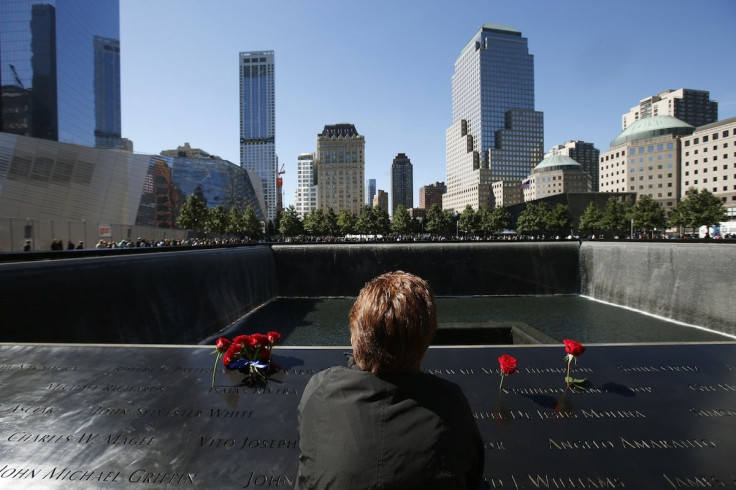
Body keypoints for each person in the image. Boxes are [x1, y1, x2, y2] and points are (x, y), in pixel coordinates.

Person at [296, 271, 484, 490]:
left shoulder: (319, 389)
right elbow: (473, 473)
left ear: (355, 331)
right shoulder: (450, 403)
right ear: (426, 340)